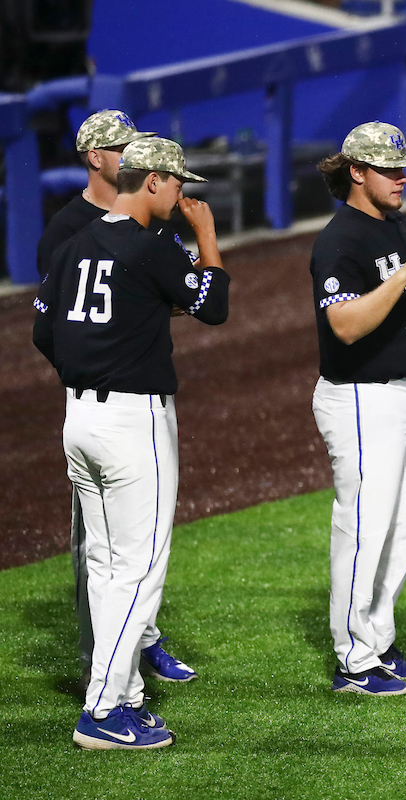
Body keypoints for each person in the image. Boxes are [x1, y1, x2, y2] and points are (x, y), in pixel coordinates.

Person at [33, 137, 229, 749]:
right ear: (152, 183)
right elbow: (213, 304)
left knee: (103, 565)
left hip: (80, 420)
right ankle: (100, 713)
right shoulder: (150, 249)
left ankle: (126, 697)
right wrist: (209, 238)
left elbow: (44, 329)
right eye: (178, 185)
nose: (183, 195)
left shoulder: (73, 245)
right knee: (138, 569)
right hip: (131, 423)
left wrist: (99, 351)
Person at [310, 121, 406, 696]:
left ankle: (375, 638)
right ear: (357, 172)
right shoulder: (339, 240)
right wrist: (404, 272)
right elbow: (346, 325)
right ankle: (353, 660)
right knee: (365, 529)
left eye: (404, 168)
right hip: (359, 400)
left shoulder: (401, 225)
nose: (402, 178)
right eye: (389, 169)